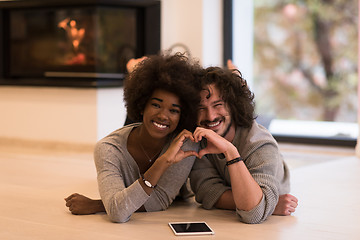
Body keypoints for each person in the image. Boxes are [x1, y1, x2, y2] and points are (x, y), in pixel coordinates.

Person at [65, 53, 202, 223]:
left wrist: (99, 204)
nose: (163, 115)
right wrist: (163, 162)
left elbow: (159, 201)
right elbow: (118, 213)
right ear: (142, 104)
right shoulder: (107, 149)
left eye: (173, 110)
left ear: (183, 116)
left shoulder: (184, 143)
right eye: (156, 105)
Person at [189, 65, 298, 224]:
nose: (210, 116)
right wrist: (266, 204)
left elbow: (252, 214)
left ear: (233, 106)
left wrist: (230, 151)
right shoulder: (201, 139)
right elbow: (205, 192)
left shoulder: (260, 143)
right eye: (201, 108)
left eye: (218, 105)